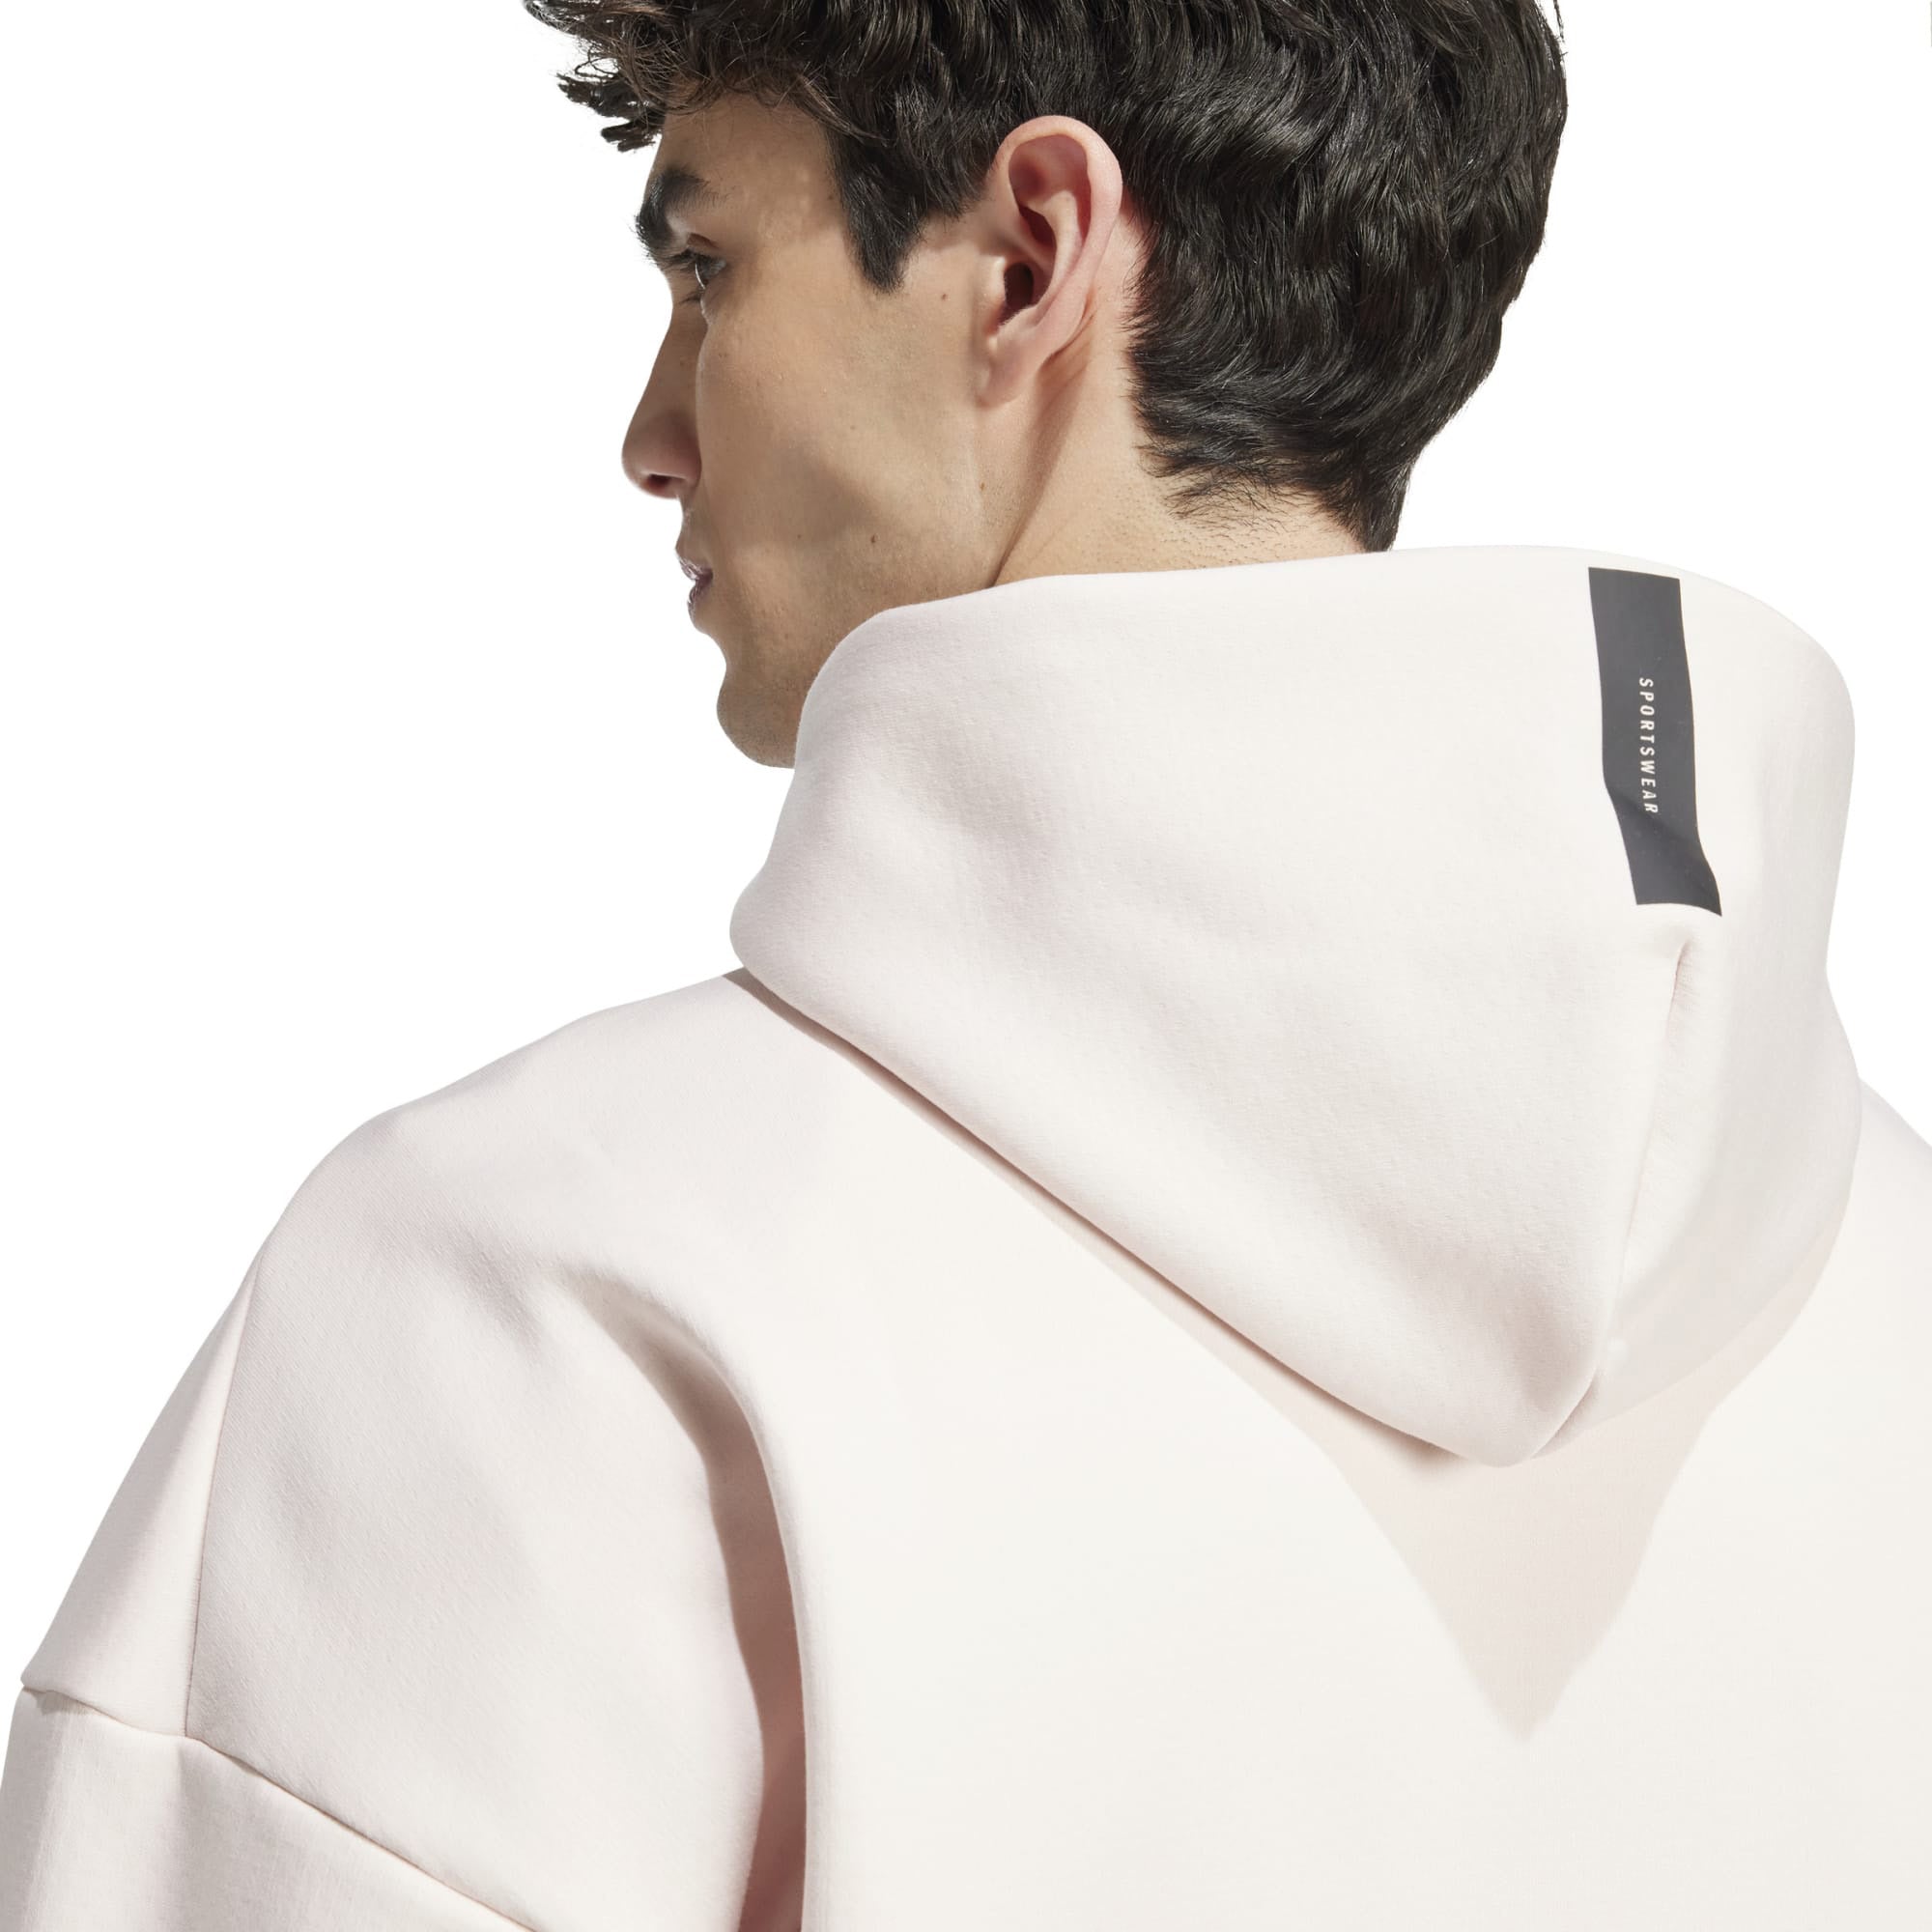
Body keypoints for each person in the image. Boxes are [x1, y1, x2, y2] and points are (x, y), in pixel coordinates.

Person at [4, 1, 1928, 1924]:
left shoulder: (535, 1293)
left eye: (707, 267)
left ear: (1029, 259)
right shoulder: (1884, 1279)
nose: (651, 435)